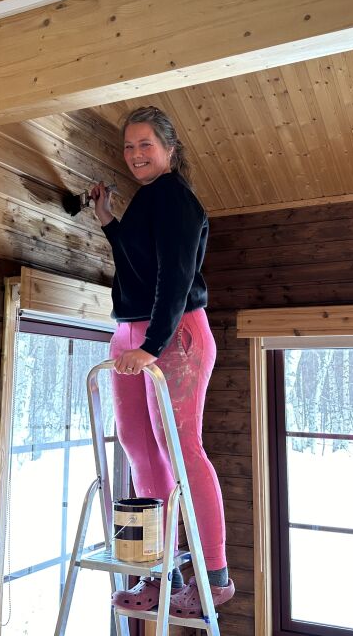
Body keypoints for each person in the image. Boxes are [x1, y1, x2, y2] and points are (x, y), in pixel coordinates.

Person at [88, 105, 234, 619]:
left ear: (170, 150)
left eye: (145, 145)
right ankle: (164, 572)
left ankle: (213, 577)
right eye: (129, 147)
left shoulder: (176, 200)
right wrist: (108, 218)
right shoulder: (147, 202)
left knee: (181, 447)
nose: (135, 155)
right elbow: (134, 260)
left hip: (173, 336)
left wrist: (151, 345)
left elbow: (174, 279)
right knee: (138, 446)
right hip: (131, 332)